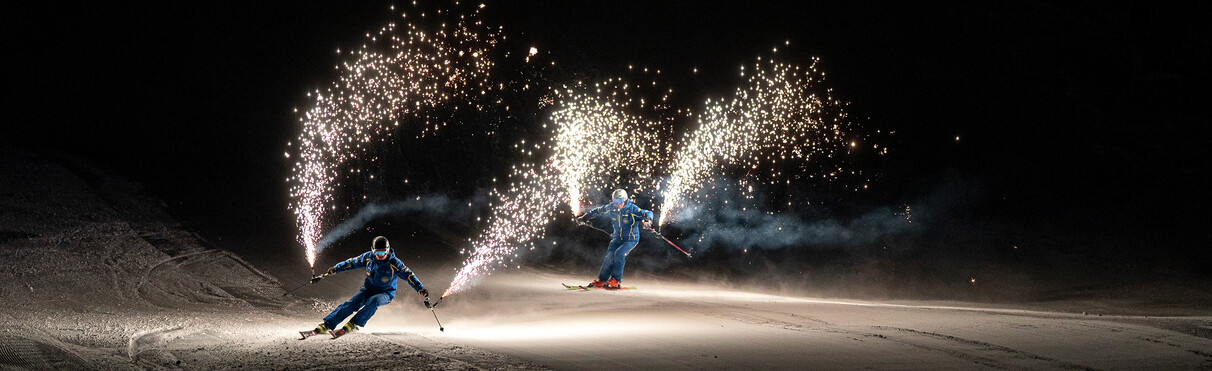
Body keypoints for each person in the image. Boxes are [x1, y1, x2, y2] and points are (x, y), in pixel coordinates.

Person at [303, 236, 429, 339]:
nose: (381, 255)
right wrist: (336, 268)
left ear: (388, 250)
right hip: (368, 289)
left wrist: (420, 288)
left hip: (386, 293)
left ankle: (353, 324)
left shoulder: (394, 263)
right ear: (373, 251)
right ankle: (327, 324)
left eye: (383, 252)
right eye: (378, 252)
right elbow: (352, 262)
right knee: (352, 303)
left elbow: (408, 275)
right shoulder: (368, 257)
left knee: (373, 301)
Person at [578, 189, 654, 289]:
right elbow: (599, 210)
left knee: (619, 254)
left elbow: (648, 213)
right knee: (609, 256)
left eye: (619, 201)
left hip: (630, 239)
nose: (616, 204)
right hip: (617, 238)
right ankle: (602, 280)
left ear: (625, 199)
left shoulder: (632, 209)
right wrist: (586, 216)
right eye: (614, 201)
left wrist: (648, 220)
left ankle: (616, 280)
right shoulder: (612, 207)